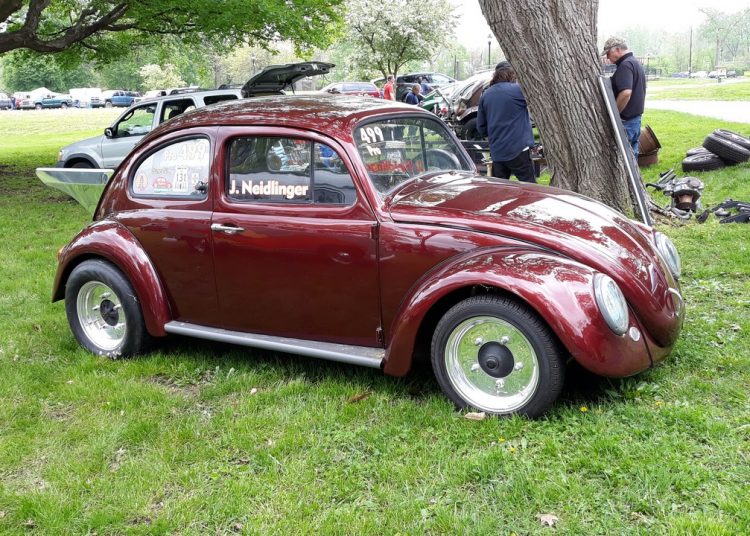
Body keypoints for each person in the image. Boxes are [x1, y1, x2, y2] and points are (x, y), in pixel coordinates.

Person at [476, 61, 536, 183]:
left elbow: (481, 128)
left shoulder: (486, 95)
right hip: (519, 149)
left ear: (495, 75)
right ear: (512, 74)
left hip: (497, 151)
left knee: (500, 189)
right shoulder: (518, 90)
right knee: (530, 188)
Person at [602, 36, 646, 157]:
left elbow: (626, 93)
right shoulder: (634, 62)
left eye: (608, 53)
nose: (607, 58)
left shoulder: (625, 65)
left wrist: (614, 114)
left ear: (617, 49)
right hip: (635, 121)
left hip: (627, 122)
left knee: (624, 158)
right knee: (632, 157)